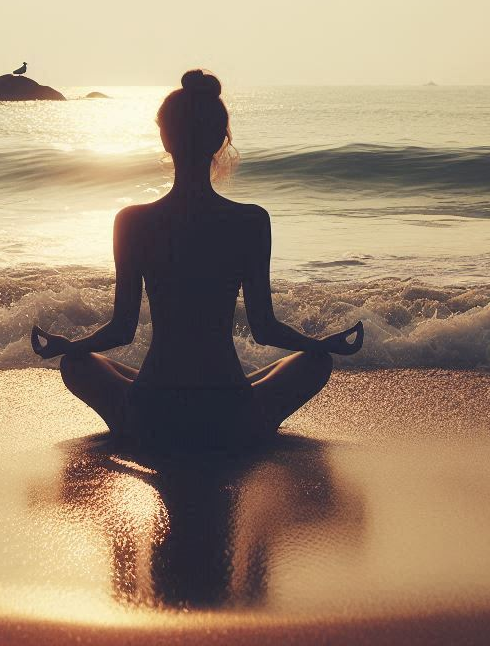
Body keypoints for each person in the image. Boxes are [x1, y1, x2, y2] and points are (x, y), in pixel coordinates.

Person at [31, 69, 363, 448]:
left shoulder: (133, 221)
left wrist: (68, 346)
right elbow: (264, 328)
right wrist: (322, 343)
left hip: (151, 410)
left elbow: (121, 329)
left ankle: (135, 424)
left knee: (77, 364)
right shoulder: (251, 221)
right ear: (221, 140)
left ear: (164, 138)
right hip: (230, 413)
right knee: (315, 361)